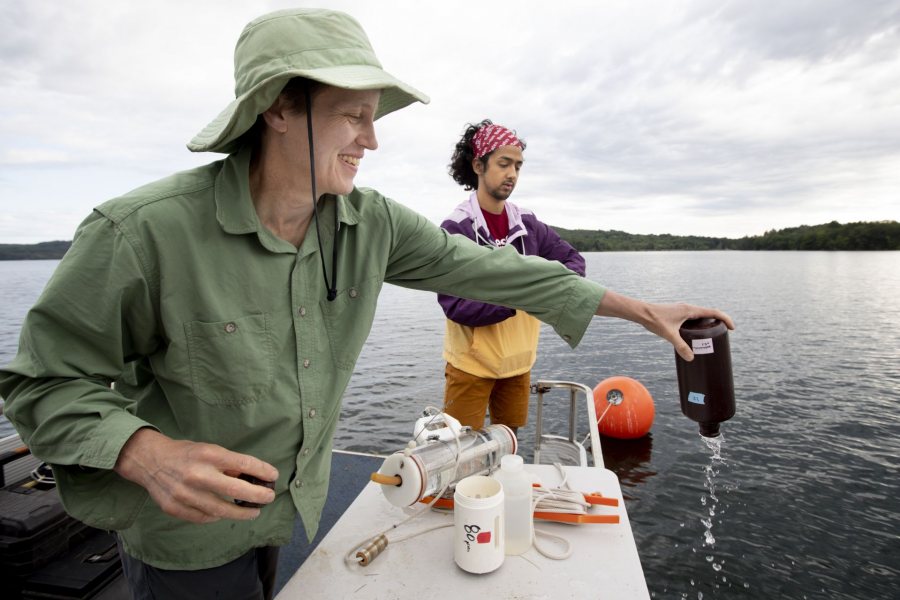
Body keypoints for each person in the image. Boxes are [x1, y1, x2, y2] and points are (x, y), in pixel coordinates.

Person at [0, 8, 734, 599]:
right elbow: (40, 382)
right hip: (183, 545)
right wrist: (144, 452)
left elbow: (501, 274)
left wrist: (641, 310)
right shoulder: (141, 233)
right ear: (280, 108)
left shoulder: (370, 223)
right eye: (354, 115)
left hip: (293, 515)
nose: (372, 139)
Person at [439, 120, 584, 433]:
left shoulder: (528, 224)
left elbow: (574, 262)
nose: (512, 174)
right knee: (460, 450)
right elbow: (455, 305)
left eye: (518, 166)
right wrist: (522, 296)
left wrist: (543, 290)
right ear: (478, 165)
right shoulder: (457, 228)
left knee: (509, 443)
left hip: (519, 363)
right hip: (469, 365)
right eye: (504, 164)